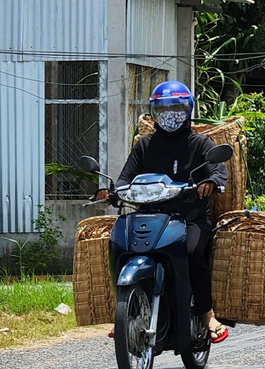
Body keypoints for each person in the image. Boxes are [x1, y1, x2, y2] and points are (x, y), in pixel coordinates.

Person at [96, 81, 230, 343]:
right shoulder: (145, 145)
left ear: (188, 110)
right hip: (150, 217)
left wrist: (210, 182)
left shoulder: (201, 144)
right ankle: (124, 313)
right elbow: (125, 178)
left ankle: (206, 314)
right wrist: (111, 191)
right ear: (154, 112)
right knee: (120, 247)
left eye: (177, 108)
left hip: (189, 219)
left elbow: (218, 170)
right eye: (164, 109)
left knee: (192, 253)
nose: (171, 115)